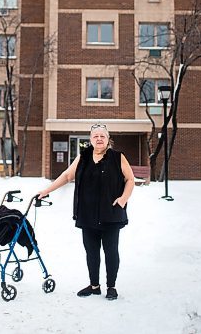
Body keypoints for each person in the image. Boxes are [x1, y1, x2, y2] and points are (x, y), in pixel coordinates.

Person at [38, 124, 135, 301]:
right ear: (90, 139)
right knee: (92, 251)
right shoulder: (83, 157)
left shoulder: (117, 157)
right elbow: (67, 176)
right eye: (95, 136)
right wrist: (46, 191)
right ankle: (94, 286)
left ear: (108, 139)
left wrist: (122, 200)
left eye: (102, 136)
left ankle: (111, 286)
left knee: (111, 251)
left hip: (111, 213)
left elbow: (130, 179)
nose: (99, 139)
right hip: (87, 213)